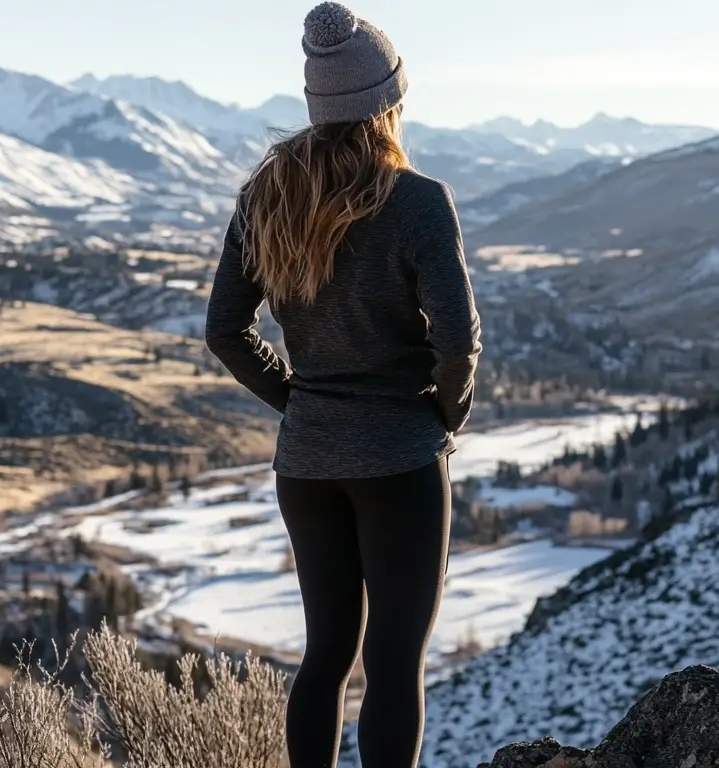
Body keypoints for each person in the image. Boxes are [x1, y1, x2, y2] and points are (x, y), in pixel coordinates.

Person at [204, 3, 482, 766]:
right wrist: (443, 414)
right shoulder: (419, 201)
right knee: (394, 661)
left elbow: (224, 330)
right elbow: (457, 342)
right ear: (388, 99)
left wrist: (300, 404)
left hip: (307, 464)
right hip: (400, 460)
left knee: (325, 655)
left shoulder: (266, 196)